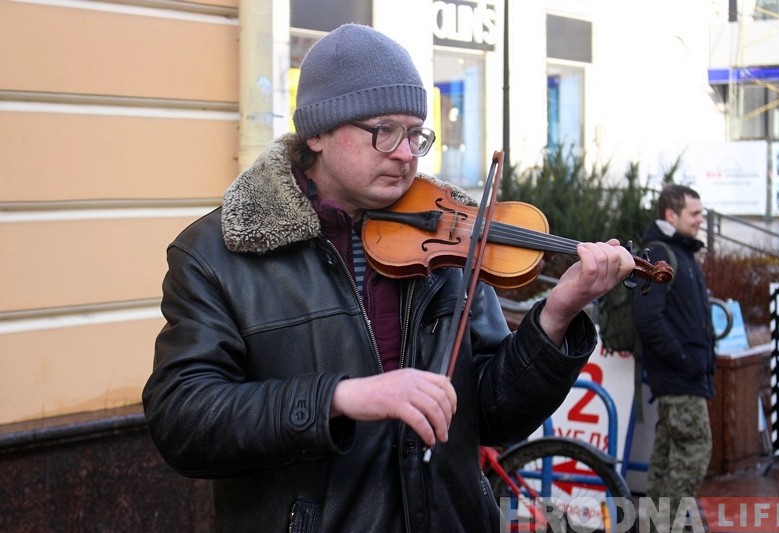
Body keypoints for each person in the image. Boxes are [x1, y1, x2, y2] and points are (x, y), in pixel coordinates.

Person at [142, 23, 634, 532]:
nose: (405, 153)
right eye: (384, 130)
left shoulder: (451, 237)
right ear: (317, 132)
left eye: (416, 132)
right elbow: (183, 422)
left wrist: (556, 315)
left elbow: (492, 415)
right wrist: (342, 398)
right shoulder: (217, 253)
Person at [633, 184, 715, 529]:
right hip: (680, 377)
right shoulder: (659, 252)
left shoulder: (682, 252)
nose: (701, 220)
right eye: (694, 214)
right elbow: (648, 319)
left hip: (687, 376)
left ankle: (655, 526)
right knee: (694, 452)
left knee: (667, 461)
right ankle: (667, 526)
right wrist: (684, 360)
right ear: (671, 215)